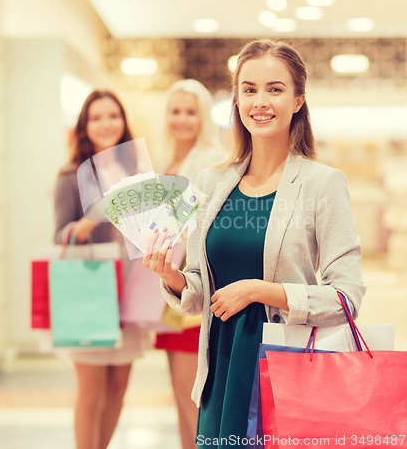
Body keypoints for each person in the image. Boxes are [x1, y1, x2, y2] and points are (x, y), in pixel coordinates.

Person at [142, 40, 367, 447]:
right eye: (249, 89)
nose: (260, 101)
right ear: (236, 100)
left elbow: (347, 297)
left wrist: (261, 291)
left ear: (299, 99)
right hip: (219, 373)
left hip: (286, 368)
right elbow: (198, 293)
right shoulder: (211, 183)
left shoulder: (322, 184)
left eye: (275, 89)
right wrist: (170, 276)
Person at [54, 90, 148, 449]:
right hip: (90, 291)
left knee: (119, 386)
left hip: (131, 291)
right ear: (84, 126)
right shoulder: (72, 175)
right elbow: (61, 235)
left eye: (113, 116)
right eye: (96, 117)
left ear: (123, 122)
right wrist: (91, 220)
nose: (106, 124)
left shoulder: (136, 172)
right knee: (91, 390)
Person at [155, 79, 227, 449]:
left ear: (203, 117)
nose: (182, 119)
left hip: (191, 286)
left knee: (192, 399)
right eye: (176, 110)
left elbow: (202, 229)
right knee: (179, 395)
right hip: (167, 286)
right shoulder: (166, 159)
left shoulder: (210, 161)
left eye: (190, 111)